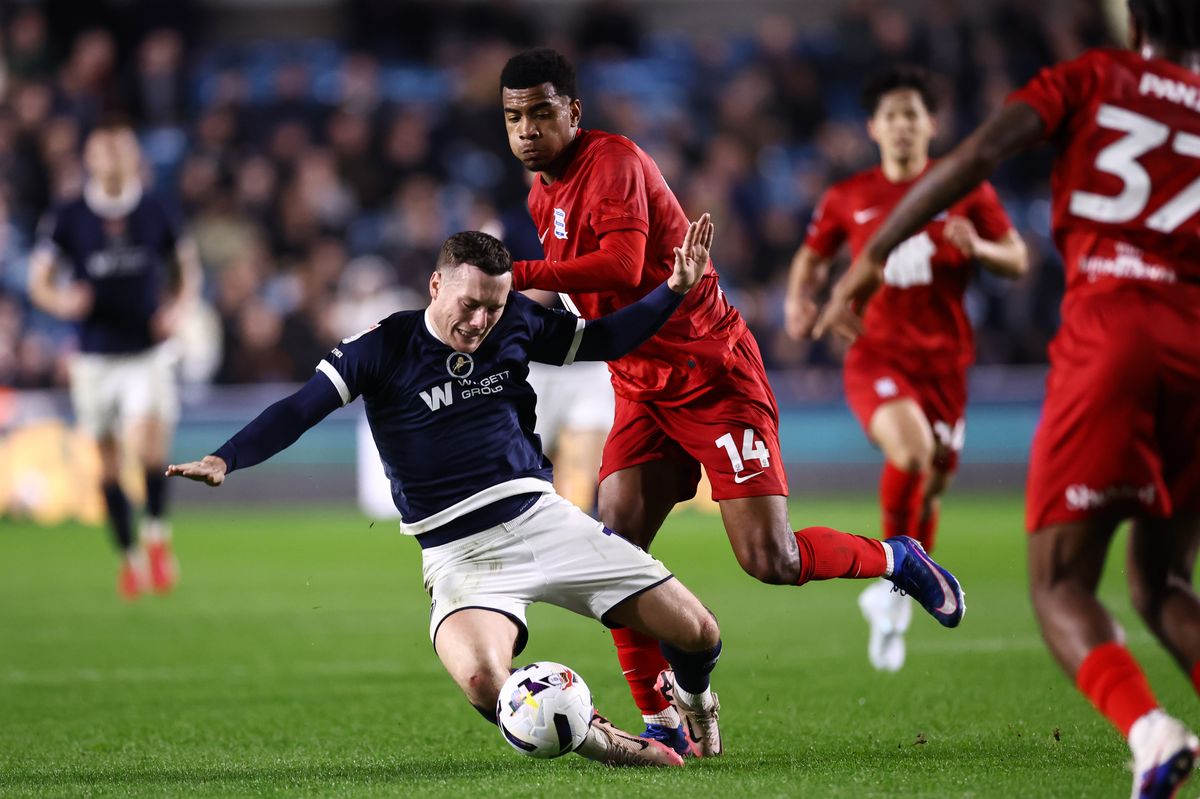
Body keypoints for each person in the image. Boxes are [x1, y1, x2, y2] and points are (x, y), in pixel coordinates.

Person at [499, 47, 966, 756]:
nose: (526, 129)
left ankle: (896, 557)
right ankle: (665, 717)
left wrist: (509, 274)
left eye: (539, 112)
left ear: (574, 111)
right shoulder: (542, 194)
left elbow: (623, 267)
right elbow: (596, 297)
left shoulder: (614, 162)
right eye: (512, 117)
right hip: (641, 384)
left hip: (713, 375)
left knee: (769, 558)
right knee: (612, 552)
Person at [813, 3, 1200, 795]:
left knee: (1061, 583)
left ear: (1133, 26)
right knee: (1164, 583)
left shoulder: (1093, 76)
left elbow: (984, 153)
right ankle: (898, 579)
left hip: (1110, 330)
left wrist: (878, 250)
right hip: (1195, 343)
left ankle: (1151, 728)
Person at [168, 225, 723, 767]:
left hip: (545, 520)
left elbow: (604, 339)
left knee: (699, 634)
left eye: (495, 306)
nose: (482, 320)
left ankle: (695, 703)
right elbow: (300, 407)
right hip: (460, 555)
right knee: (487, 683)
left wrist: (674, 289)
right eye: (471, 303)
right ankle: (612, 745)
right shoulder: (384, 345)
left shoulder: (518, 320)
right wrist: (227, 457)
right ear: (436, 286)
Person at [787, 66, 1028, 672]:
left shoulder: (964, 189)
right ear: (873, 127)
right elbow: (809, 259)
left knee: (936, 479)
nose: (901, 126)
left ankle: (897, 591)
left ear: (931, 123)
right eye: (890, 116)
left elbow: (1019, 258)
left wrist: (983, 248)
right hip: (875, 356)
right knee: (913, 451)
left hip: (945, 363)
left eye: (912, 115)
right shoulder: (847, 197)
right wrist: (798, 301)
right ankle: (896, 571)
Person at [28, 120, 201, 600]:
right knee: (106, 465)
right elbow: (39, 281)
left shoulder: (155, 208)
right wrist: (63, 302)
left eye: (123, 149)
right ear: (90, 159)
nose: (115, 158)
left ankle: (157, 537)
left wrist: (178, 307)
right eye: (105, 150)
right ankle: (128, 557)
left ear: (133, 157)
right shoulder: (68, 215)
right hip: (94, 357)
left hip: (146, 351)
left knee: (148, 449)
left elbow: (186, 268)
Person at [522, 289, 614, 513]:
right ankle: (544, 525)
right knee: (536, 461)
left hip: (592, 363)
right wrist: (551, 279)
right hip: (536, 366)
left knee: (586, 460)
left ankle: (587, 527)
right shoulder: (513, 252)